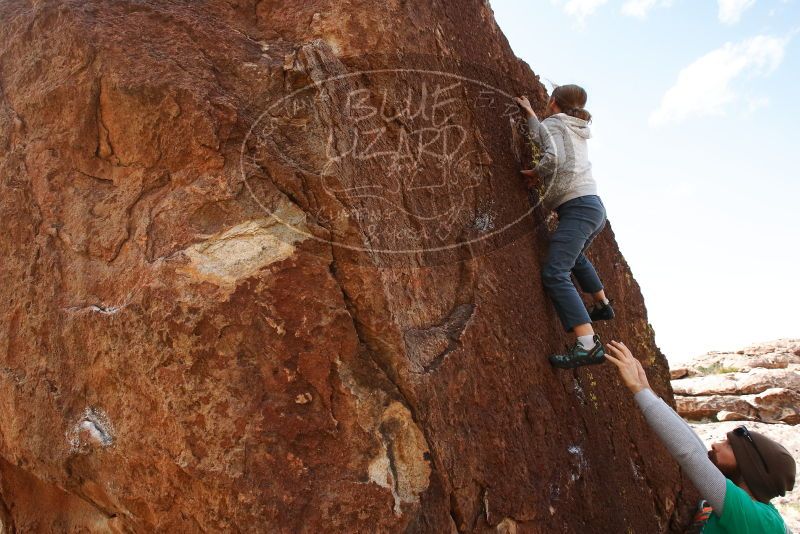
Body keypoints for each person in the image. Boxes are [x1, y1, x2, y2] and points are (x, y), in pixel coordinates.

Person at [605, 340, 796, 533]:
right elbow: (695, 445)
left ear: (750, 468)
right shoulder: (765, 516)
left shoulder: (753, 519)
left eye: (730, 446)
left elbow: (691, 454)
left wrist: (638, 389)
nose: (716, 444)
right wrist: (648, 390)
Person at [514, 85, 614, 368]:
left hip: (578, 207)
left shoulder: (556, 121)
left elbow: (549, 151)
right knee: (575, 257)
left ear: (553, 101)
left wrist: (536, 172)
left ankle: (588, 346)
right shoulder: (576, 126)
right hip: (592, 206)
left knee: (555, 272)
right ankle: (602, 305)